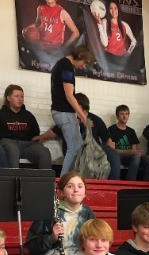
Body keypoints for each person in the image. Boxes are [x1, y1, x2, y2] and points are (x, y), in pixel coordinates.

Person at [25, 170, 95, 255]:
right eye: (70, 186)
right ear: (61, 192)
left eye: (80, 186)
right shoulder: (49, 211)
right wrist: (51, 238)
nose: (76, 190)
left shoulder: (87, 213)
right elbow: (32, 245)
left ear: (85, 192)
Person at [48, 45, 95, 175]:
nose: (83, 66)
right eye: (84, 62)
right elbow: (69, 95)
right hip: (64, 112)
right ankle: (64, 180)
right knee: (74, 148)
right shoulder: (66, 66)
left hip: (61, 112)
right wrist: (83, 116)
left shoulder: (61, 64)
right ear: (79, 56)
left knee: (77, 146)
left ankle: (71, 178)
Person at [0, 84, 53, 170]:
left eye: (22, 96)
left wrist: (35, 139)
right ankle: (13, 177)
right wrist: (0, 140)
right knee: (12, 149)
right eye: (16, 96)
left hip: (26, 145)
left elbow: (35, 133)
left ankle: (46, 178)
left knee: (44, 151)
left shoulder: (28, 116)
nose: (20, 99)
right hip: (8, 142)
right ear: (9, 98)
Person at [108, 104, 149, 181]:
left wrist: (136, 152)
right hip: (118, 157)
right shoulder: (111, 129)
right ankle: (130, 182)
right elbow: (112, 151)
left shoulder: (131, 131)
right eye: (122, 114)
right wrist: (130, 151)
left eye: (127, 114)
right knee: (136, 157)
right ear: (117, 116)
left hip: (130, 157)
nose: (125, 116)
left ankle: (146, 185)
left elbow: (134, 150)